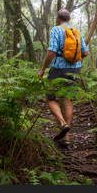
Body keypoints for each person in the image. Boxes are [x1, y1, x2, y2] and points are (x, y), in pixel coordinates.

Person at [37, 9, 89, 146]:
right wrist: (74, 60)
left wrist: (43, 69)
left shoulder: (56, 30)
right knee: (67, 100)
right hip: (74, 70)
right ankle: (67, 138)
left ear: (58, 19)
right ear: (69, 19)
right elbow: (86, 52)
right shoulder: (76, 32)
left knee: (50, 98)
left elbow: (52, 51)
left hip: (58, 68)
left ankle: (63, 123)